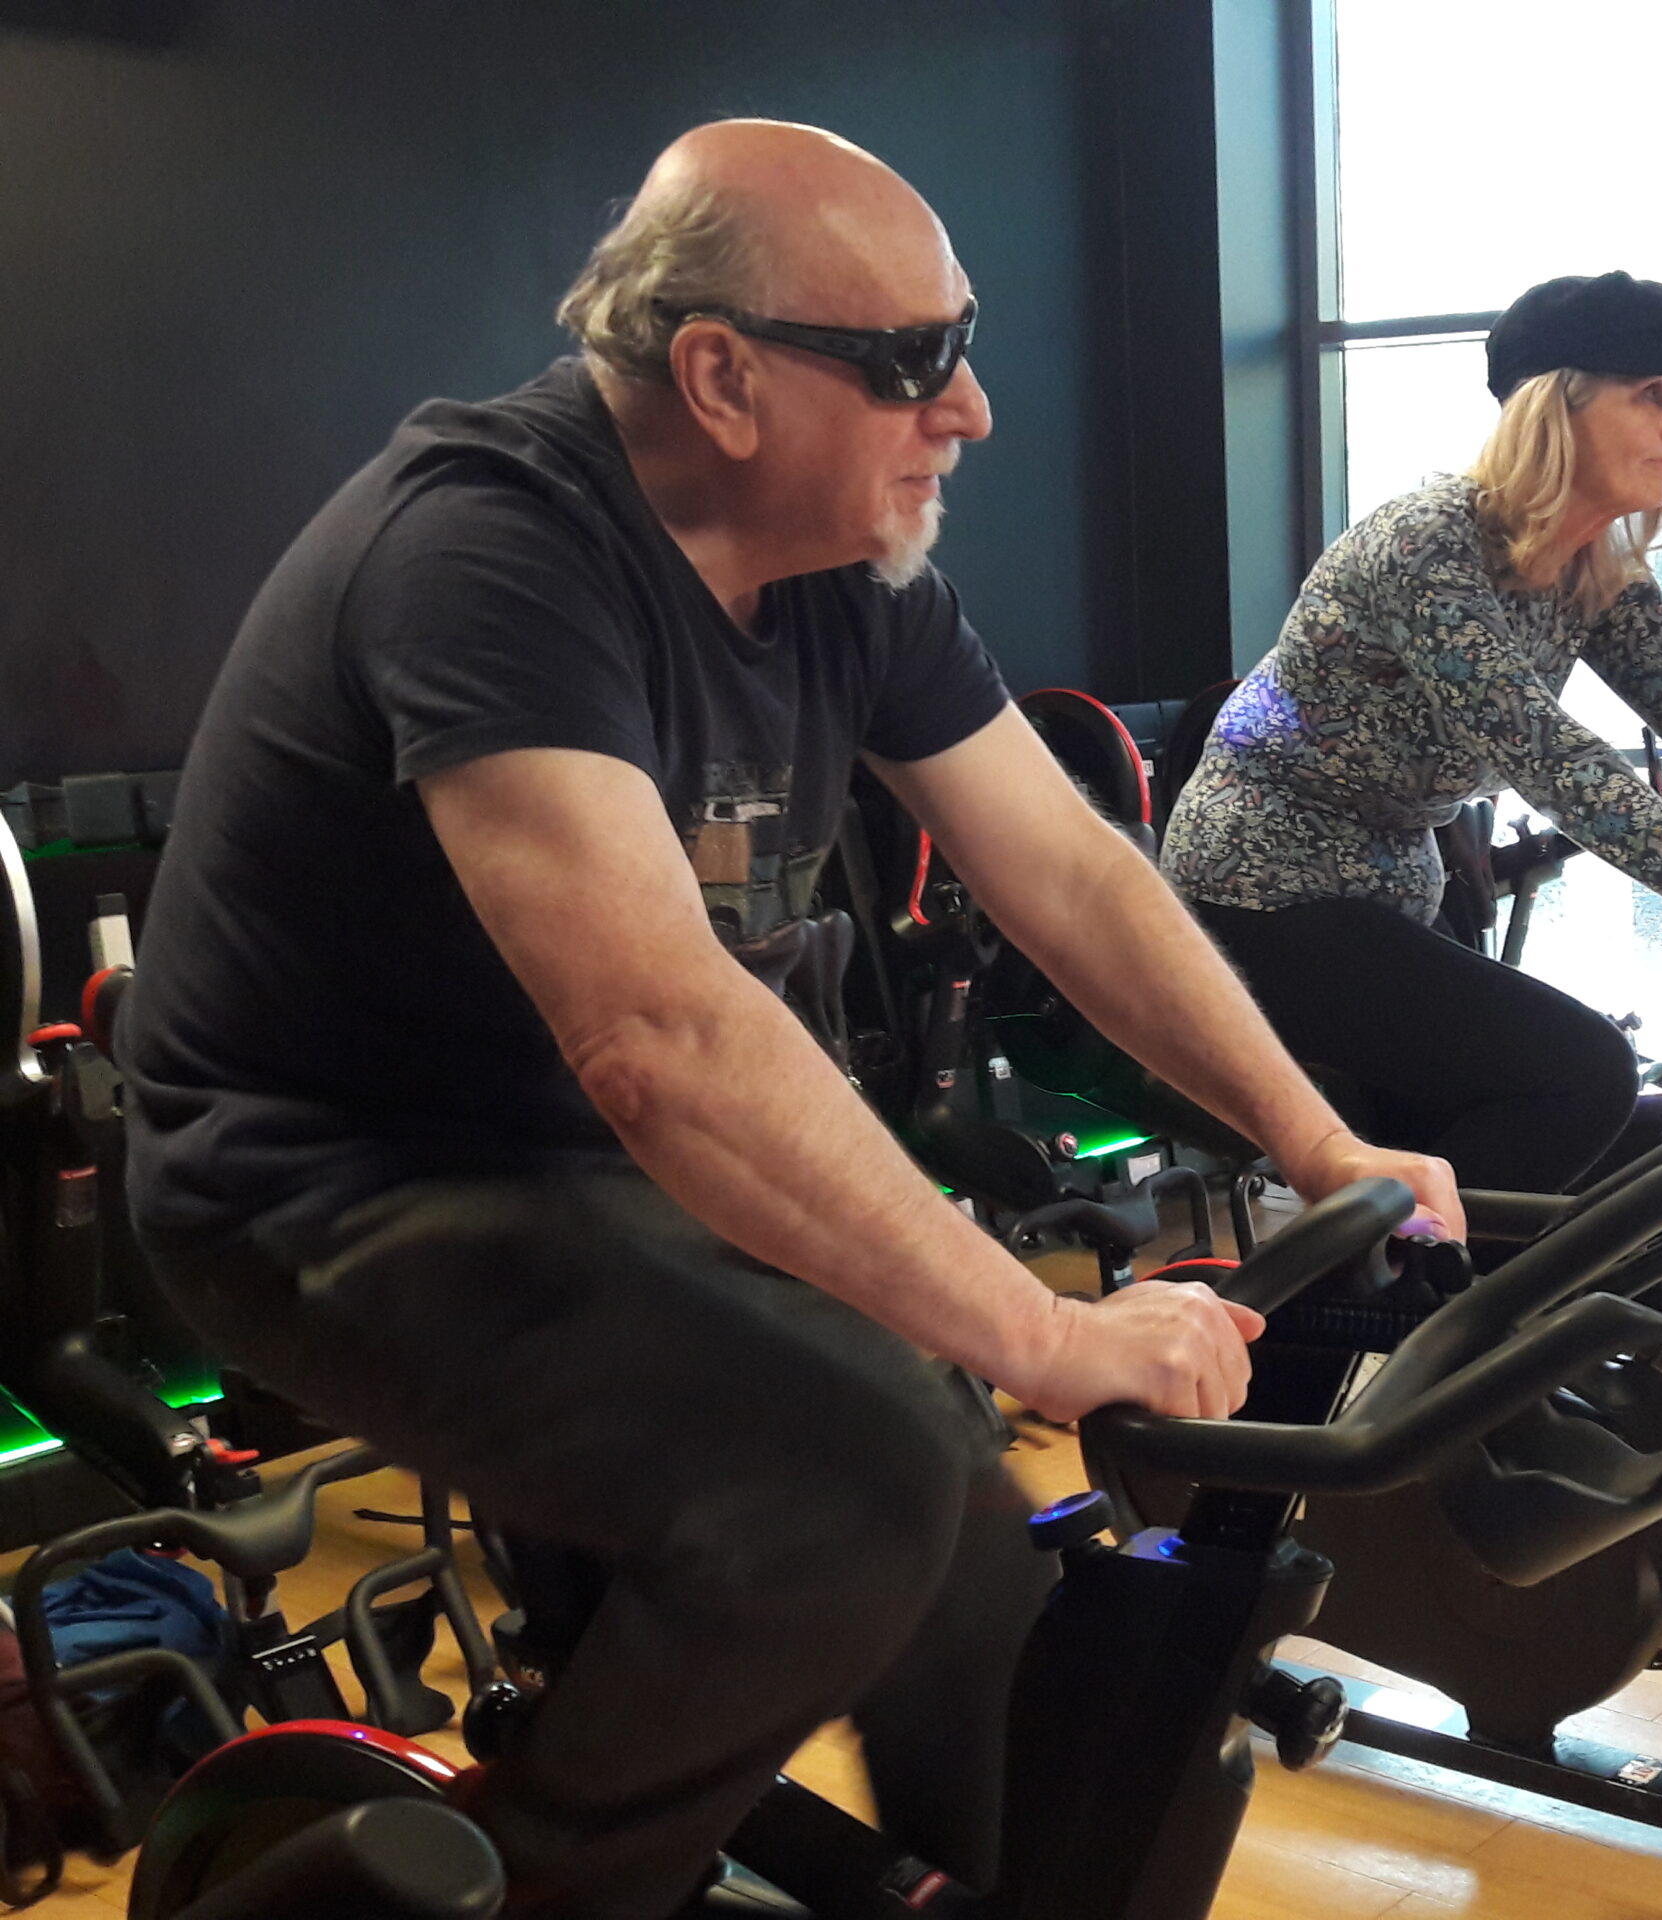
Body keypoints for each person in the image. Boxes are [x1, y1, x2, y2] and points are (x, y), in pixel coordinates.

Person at [115, 121, 1454, 1920]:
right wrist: (1044, 1340)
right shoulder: (493, 550)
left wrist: (1316, 1138)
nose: (969, 410)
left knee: (972, 1545)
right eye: (915, 364)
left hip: (592, 1181)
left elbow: (1067, 869)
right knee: (852, 1496)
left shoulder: (846, 564)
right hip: (324, 1187)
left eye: (961, 344)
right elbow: (656, 1038)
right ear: (722, 376)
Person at [1158, 272, 1662, 1198]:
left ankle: (1375, 1326)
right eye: (1656, 397)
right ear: (1558, 406)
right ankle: (1420, 1320)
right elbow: (1539, 744)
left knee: (1450, 1163)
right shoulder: (1427, 543)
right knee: (1578, 1075)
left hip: (1388, 887)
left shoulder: (1593, 563)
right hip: (1257, 889)